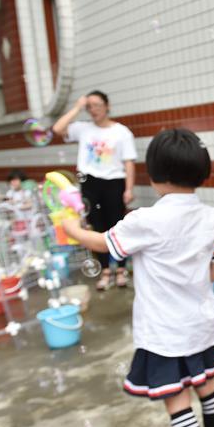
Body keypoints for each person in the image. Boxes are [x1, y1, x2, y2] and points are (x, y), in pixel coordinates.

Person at [62, 128, 214, 427]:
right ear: (202, 172)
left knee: (177, 400)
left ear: (153, 176)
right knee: (208, 386)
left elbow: (103, 243)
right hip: (201, 323)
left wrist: (72, 227)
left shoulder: (143, 220)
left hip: (164, 331)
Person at [52, 91, 136, 290]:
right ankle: (105, 270)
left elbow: (129, 162)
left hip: (114, 181)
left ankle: (121, 270)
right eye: (89, 106)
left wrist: (129, 188)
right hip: (90, 182)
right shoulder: (83, 129)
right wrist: (77, 107)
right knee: (95, 225)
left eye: (97, 105)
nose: (93, 110)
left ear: (107, 106)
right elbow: (57, 129)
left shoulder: (122, 132)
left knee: (116, 225)